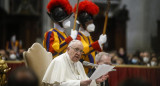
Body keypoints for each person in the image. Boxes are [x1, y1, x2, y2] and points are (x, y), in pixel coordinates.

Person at [42, 40, 108, 86]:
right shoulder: (58, 61)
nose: (79, 53)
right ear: (68, 49)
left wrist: (95, 81)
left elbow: (85, 82)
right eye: (76, 49)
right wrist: (79, 84)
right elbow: (56, 85)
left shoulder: (78, 64)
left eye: (81, 51)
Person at [73, 0, 107, 73]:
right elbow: (83, 50)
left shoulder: (89, 37)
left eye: (91, 22)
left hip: (91, 70)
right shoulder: (77, 36)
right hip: (82, 71)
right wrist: (99, 42)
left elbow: (93, 52)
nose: (91, 25)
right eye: (88, 23)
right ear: (82, 24)